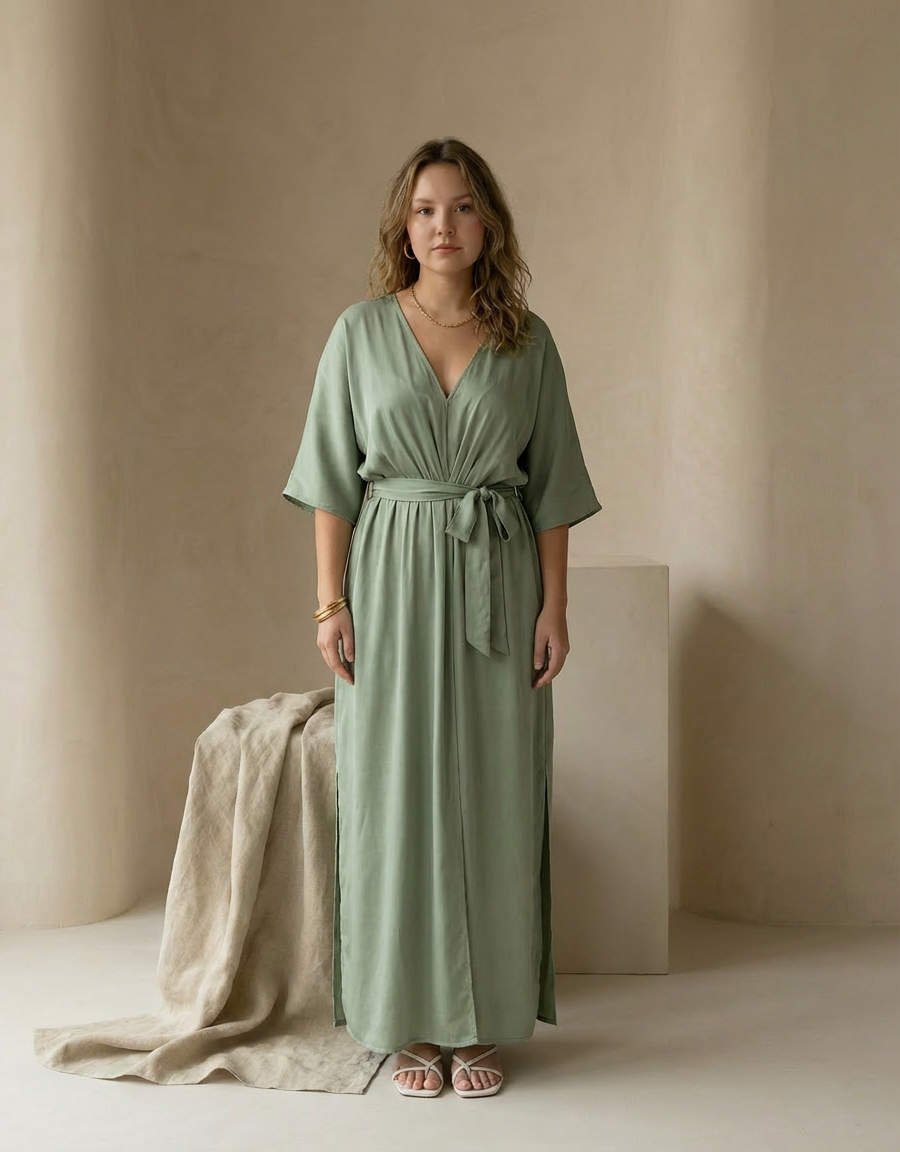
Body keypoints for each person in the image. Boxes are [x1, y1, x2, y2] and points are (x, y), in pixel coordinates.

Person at [283, 137, 601, 1099]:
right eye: (425, 209)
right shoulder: (359, 333)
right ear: (403, 226)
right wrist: (330, 601)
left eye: (462, 207)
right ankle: (406, 1020)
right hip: (388, 580)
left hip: (498, 581)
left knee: (495, 791)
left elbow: (551, 488)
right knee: (393, 793)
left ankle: (480, 1020)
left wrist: (555, 606)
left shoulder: (527, 341)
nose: (444, 226)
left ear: (488, 223)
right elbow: (332, 480)